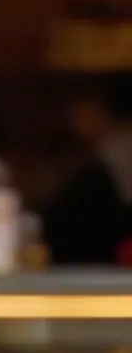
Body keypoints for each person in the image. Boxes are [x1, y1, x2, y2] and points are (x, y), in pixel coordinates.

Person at [43, 74, 132, 267]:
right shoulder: (98, 159)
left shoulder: (114, 153)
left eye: (77, 108)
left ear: (98, 110)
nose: (72, 118)